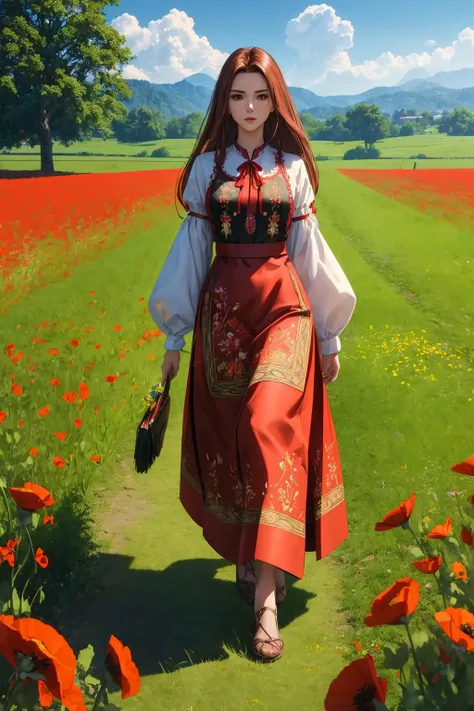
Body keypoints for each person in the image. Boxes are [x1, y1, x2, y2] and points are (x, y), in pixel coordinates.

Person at [148, 46, 356, 663]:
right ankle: (254, 553)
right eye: (237, 96)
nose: (248, 107)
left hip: (284, 308)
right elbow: (190, 254)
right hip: (221, 318)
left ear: (276, 101)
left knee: (269, 425)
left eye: (260, 96)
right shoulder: (205, 170)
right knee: (237, 439)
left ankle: (267, 602)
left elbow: (308, 250)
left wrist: (329, 334)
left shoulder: (292, 169)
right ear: (224, 101)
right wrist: (173, 337)